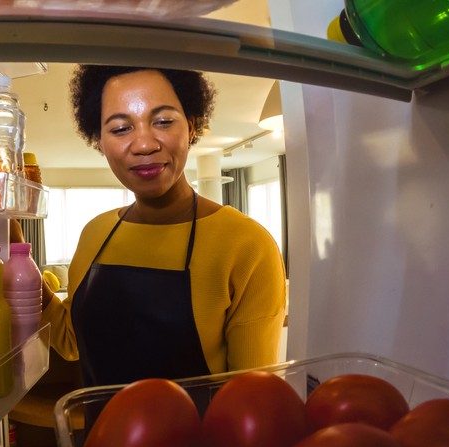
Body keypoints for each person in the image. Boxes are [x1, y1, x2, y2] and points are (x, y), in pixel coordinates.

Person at [40, 65, 287, 387]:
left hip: (203, 437)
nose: (144, 144)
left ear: (192, 127)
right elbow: (71, 343)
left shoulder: (247, 244)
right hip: (100, 436)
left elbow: (250, 395)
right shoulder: (95, 232)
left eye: (163, 121)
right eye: (119, 128)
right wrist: (25, 275)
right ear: (99, 141)